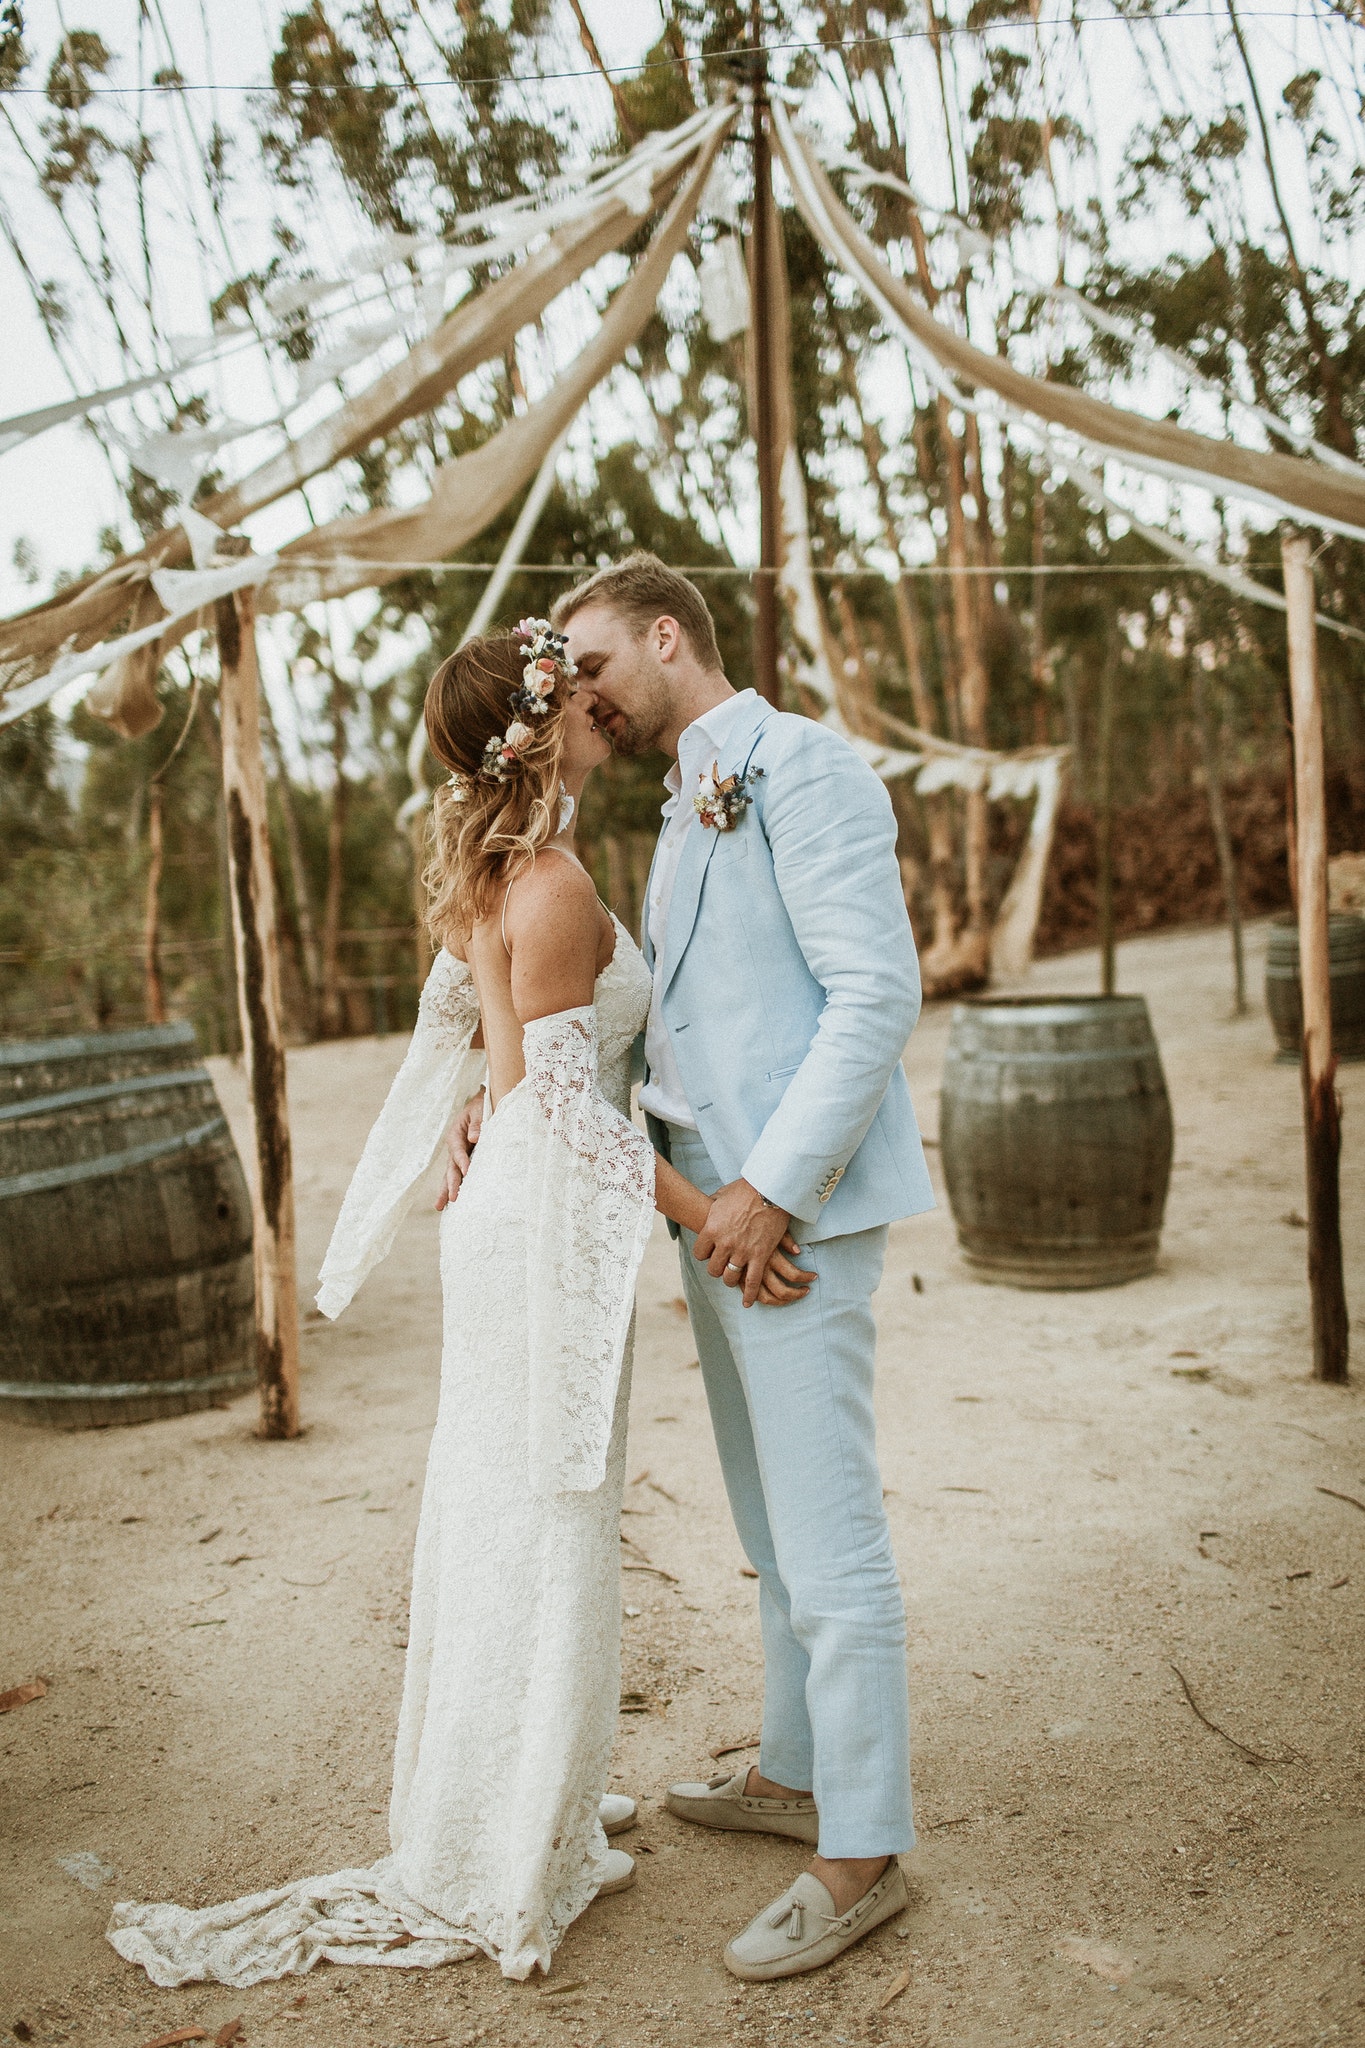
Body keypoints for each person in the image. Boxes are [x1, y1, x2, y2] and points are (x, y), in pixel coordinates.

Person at [107, 623, 811, 1992]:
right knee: (545, 1511)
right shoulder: (545, 887)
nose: (604, 702)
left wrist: (467, 1112)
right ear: (544, 726)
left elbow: (472, 1040)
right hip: (547, 1222)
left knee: (520, 1504)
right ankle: (500, 1829)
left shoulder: (502, 875)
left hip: (522, 1205)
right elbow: (572, 1113)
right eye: (579, 691)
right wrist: (716, 1220)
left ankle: (529, 1784)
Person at [445, 556, 936, 1983]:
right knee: (772, 1530)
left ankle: (863, 1851)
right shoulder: (669, 810)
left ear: (669, 635)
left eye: (593, 657)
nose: (579, 686)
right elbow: (658, 1025)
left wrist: (767, 1194)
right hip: (701, 1216)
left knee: (832, 1543)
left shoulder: (807, 768)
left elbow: (874, 992)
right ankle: (793, 1771)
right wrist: (515, 1103)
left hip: (789, 1223)